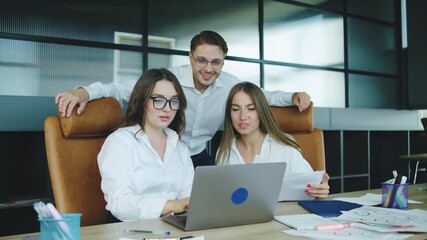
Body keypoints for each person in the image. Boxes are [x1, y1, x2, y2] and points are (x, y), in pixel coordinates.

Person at [56, 30, 311, 168]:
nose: (209, 69)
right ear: (190, 57)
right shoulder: (170, 81)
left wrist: (294, 96)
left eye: (216, 62)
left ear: (223, 62)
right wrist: (85, 92)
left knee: (218, 208)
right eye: (202, 60)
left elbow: (263, 96)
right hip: (164, 152)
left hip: (200, 157)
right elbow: (122, 89)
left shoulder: (229, 84)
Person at [97, 68, 194, 221]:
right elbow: (119, 203)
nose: (167, 108)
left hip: (171, 228)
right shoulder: (121, 141)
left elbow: (188, 197)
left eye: (174, 101)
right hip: (126, 229)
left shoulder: (180, 147)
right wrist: (169, 206)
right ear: (142, 102)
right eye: (159, 100)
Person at [216, 81, 329, 199]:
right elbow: (220, 197)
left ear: (261, 111)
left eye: (251, 108)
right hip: (239, 216)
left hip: (281, 215)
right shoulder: (225, 151)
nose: (243, 117)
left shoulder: (284, 147)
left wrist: (320, 190)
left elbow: (312, 185)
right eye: (235, 109)